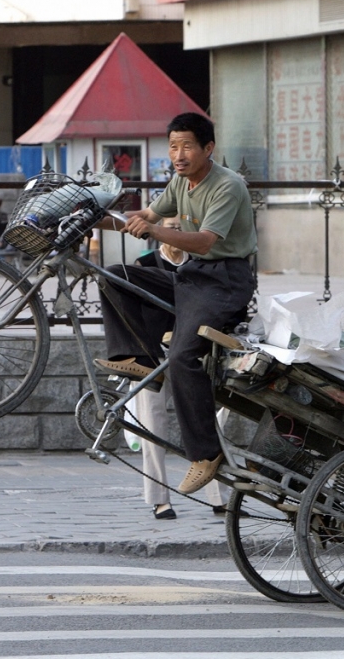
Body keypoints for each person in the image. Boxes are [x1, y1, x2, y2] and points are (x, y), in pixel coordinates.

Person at [94, 112, 257, 495]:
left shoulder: (227, 186)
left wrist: (153, 229)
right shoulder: (179, 182)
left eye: (186, 146)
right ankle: (141, 357)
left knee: (184, 356)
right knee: (116, 275)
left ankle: (205, 454)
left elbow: (204, 242)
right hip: (192, 277)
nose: (178, 154)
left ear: (208, 148)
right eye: (172, 146)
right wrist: (93, 220)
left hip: (224, 282)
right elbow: (144, 216)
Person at [132, 217, 187, 520]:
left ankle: (220, 497)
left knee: (210, 420)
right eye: (169, 226)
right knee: (153, 425)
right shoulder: (145, 263)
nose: (174, 233)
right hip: (153, 351)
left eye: (180, 227)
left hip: (191, 352)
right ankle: (159, 499)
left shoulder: (198, 263)